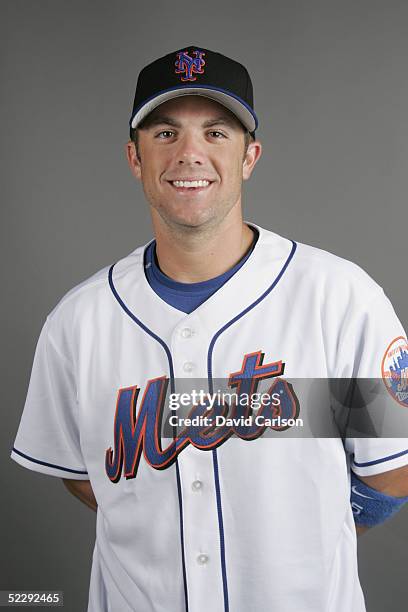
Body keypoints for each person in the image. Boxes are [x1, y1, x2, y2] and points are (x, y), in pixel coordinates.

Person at [11, 45, 408, 612]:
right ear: (134, 156)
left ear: (250, 157)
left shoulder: (336, 298)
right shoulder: (80, 321)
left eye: (217, 133)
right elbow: (81, 475)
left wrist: (312, 529)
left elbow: (394, 470)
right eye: (165, 134)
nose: (190, 154)